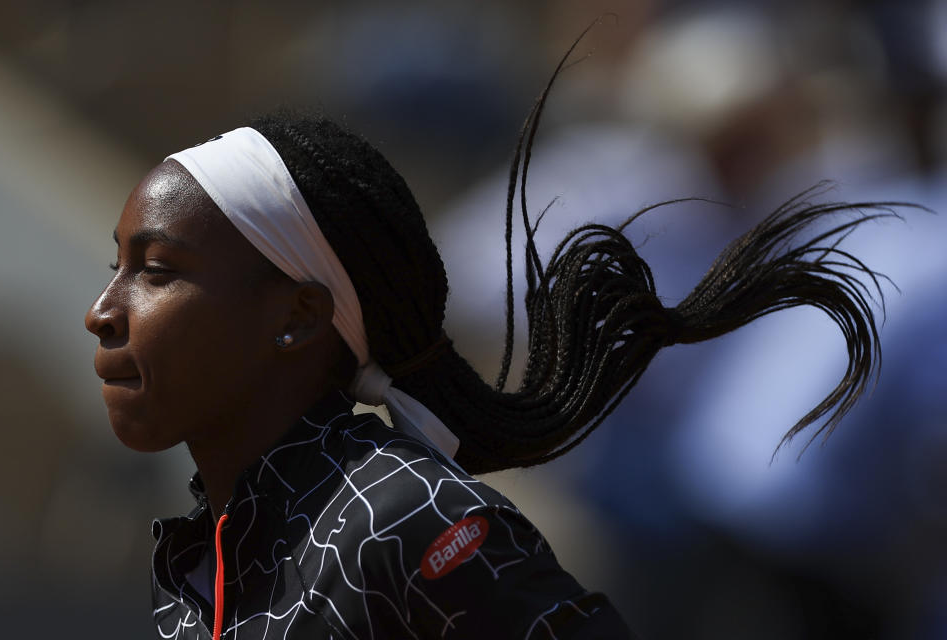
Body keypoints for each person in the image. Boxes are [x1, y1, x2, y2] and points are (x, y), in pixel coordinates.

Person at [84, 81, 903, 637]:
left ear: (300, 315)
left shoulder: (403, 519)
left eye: (155, 272)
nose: (103, 311)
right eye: (116, 266)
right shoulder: (214, 550)